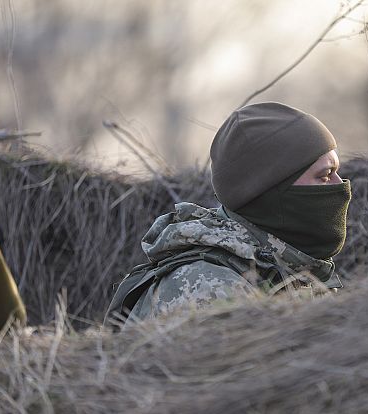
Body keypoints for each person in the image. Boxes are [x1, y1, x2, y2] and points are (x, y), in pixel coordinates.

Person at [105, 102, 351, 324]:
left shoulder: (288, 271)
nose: (340, 185)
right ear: (272, 191)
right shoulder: (206, 289)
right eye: (325, 175)